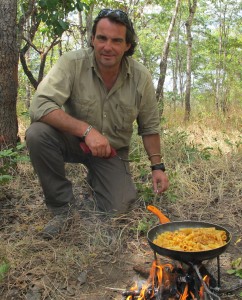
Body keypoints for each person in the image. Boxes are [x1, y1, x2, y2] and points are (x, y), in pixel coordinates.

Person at [25, 8, 169, 239]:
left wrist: (157, 167)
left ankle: (96, 181)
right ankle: (63, 209)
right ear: (92, 39)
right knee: (37, 133)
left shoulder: (141, 77)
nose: (107, 47)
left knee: (118, 208)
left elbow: (150, 127)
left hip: (112, 151)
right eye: (101, 38)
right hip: (74, 141)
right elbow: (39, 106)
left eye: (116, 40)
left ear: (127, 46)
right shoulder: (72, 63)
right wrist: (87, 131)